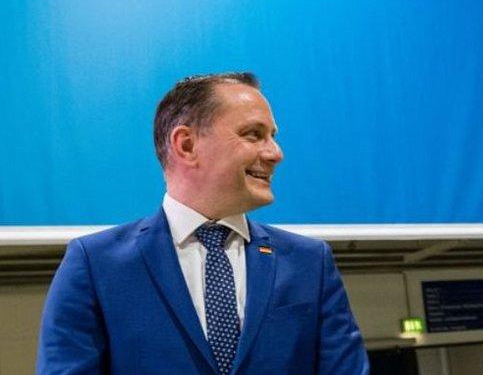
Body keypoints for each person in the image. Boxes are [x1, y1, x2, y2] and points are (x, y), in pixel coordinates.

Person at [37, 72, 369, 374]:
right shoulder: (95, 265)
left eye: (272, 136)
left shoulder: (311, 263)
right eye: (254, 135)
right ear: (187, 145)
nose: (275, 153)